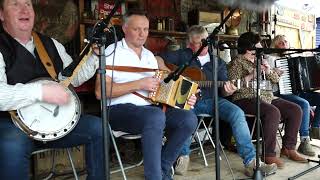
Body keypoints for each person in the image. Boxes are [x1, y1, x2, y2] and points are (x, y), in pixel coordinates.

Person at [0, 0, 104, 179]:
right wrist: (40, 92)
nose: (24, 9)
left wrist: (94, 56)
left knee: (98, 127)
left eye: (28, 4)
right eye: (15, 4)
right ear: (1, 14)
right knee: (12, 143)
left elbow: (73, 77)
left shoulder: (50, 44)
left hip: (52, 123)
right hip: (11, 125)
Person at [157, 25, 277, 177]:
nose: (202, 46)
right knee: (186, 115)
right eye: (197, 43)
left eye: (204, 42)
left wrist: (228, 89)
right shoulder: (182, 55)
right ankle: (182, 156)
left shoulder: (217, 62)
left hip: (214, 100)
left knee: (237, 113)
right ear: (189, 44)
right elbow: (157, 58)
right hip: (188, 100)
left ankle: (251, 162)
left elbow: (224, 90)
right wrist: (168, 73)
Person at [94, 11, 198, 180]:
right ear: (125, 28)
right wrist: (139, 84)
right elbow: (100, 92)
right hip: (117, 110)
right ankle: (154, 176)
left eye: (146, 29)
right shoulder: (110, 52)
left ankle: (163, 169)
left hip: (151, 110)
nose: (142, 34)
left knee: (188, 119)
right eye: (137, 29)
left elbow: (164, 90)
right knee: (155, 116)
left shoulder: (150, 56)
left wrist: (185, 99)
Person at [227, 32, 307, 169]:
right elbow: (233, 85)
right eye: (258, 45)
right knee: (273, 112)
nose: (261, 47)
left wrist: (269, 70)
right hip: (245, 98)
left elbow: (276, 80)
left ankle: (288, 148)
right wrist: (253, 74)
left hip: (267, 96)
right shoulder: (236, 62)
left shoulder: (260, 59)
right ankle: (268, 154)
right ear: (249, 48)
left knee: (295, 109)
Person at [267, 34, 320, 156]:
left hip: (299, 92)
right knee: (304, 104)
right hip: (282, 92)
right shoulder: (270, 59)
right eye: (281, 43)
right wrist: (274, 72)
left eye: (286, 42)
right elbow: (272, 82)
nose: (284, 44)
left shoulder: (294, 57)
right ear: (275, 45)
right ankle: (304, 140)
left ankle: (316, 128)